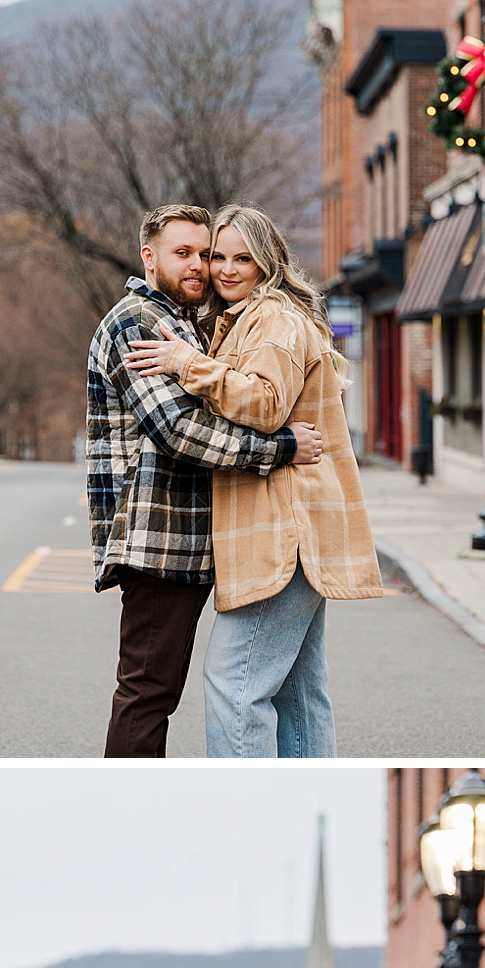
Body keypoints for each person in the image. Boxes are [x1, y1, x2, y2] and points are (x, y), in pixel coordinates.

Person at [123, 205, 383, 758]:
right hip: (287, 529)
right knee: (297, 693)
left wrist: (186, 363)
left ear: (268, 263)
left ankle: (242, 804)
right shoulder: (245, 320)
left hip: (283, 533)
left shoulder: (275, 319)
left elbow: (265, 403)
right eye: (218, 256)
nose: (226, 269)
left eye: (244, 257)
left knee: (232, 684)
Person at [87, 204, 326, 758]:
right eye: (186, 253)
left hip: (203, 543)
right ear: (149, 258)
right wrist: (279, 448)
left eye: (206, 253)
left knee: (293, 688)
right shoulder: (136, 322)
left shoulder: (191, 323)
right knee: (149, 693)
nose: (201, 266)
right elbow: (178, 429)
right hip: (160, 543)